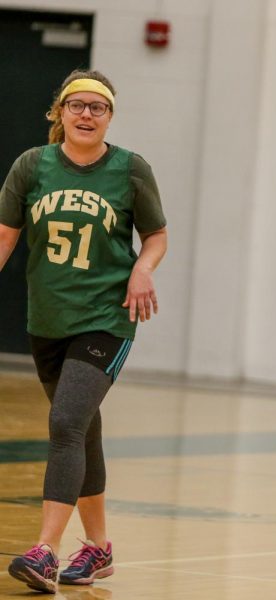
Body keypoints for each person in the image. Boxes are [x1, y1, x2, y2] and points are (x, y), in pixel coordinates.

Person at [0, 69, 167, 594]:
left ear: (109, 116)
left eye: (98, 108)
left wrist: (142, 268)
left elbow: (157, 235)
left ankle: (45, 551)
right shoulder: (32, 166)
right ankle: (97, 548)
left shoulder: (129, 169)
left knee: (67, 421)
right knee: (83, 430)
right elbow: (4, 237)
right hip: (48, 321)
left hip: (107, 318)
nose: (88, 115)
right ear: (61, 114)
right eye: (78, 106)